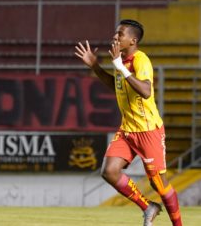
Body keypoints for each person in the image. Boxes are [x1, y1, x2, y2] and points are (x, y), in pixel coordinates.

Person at [75, 19, 182, 226]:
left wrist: (120, 68)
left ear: (132, 40)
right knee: (109, 171)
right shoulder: (120, 60)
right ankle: (148, 207)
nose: (115, 37)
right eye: (115, 33)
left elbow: (145, 90)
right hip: (127, 130)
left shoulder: (140, 60)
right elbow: (115, 85)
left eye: (120, 34)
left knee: (159, 184)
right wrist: (96, 66)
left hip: (148, 131)